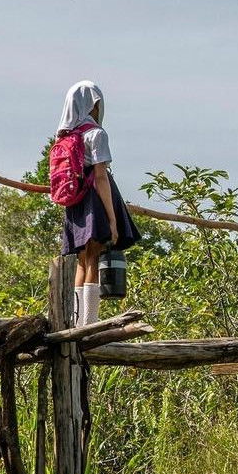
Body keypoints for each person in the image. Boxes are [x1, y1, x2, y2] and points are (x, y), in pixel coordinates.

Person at [55, 81, 140, 326]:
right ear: (92, 105)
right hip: (93, 198)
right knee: (93, 257)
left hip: (75, 201)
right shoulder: (96, 134)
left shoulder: (67, 136)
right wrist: (112, 221)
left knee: (82, 260)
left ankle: (75, 320)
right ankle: (90, 322)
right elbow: (101, 177)